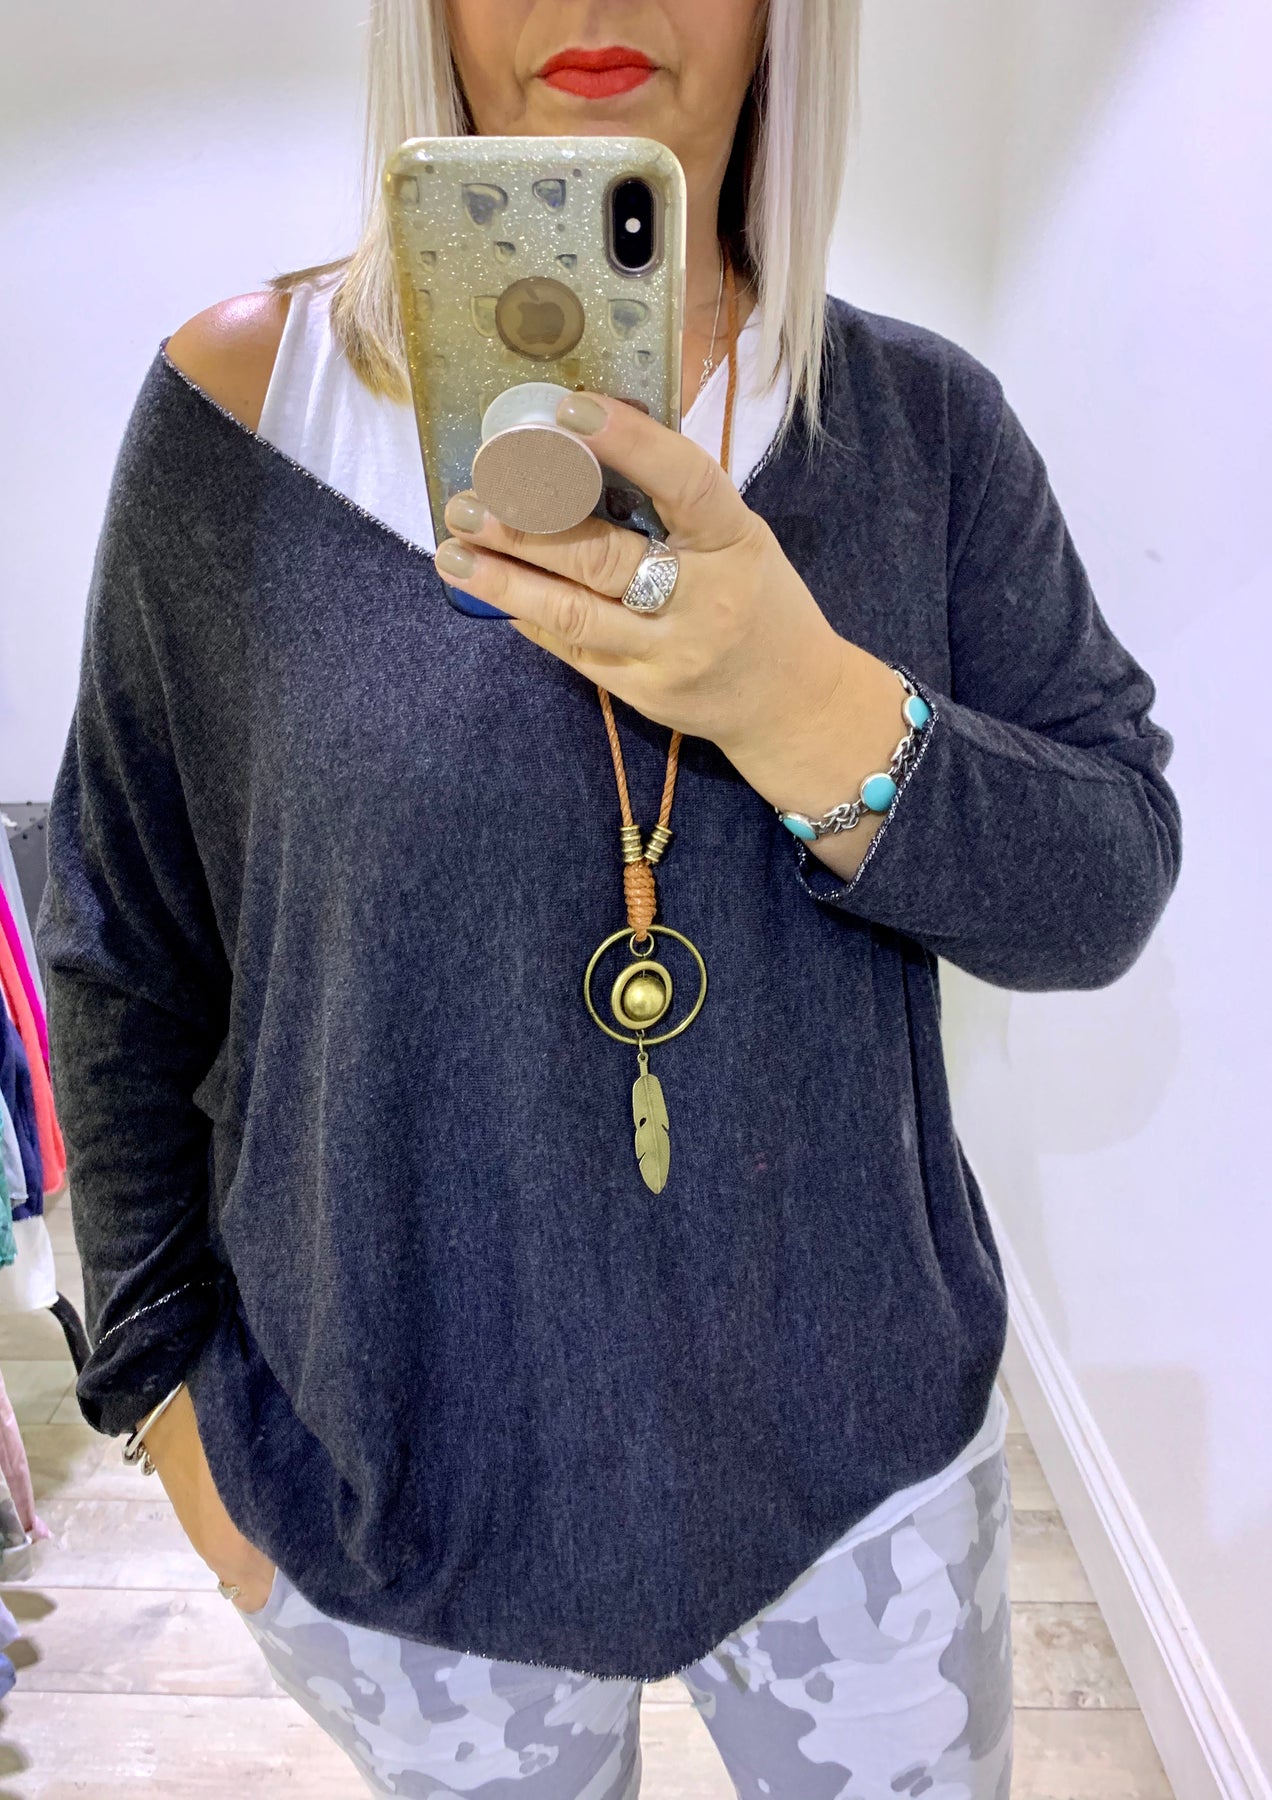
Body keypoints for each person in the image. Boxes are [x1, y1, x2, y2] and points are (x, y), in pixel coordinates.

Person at [36, 1, 1181, 1795]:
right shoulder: (244, 417)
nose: (594, 0)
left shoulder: (919, 429)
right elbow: (119, 939)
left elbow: (1105, 884)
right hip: (398, 1502)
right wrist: (162, 1397)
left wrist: (805, 703)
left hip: (863, 1485)